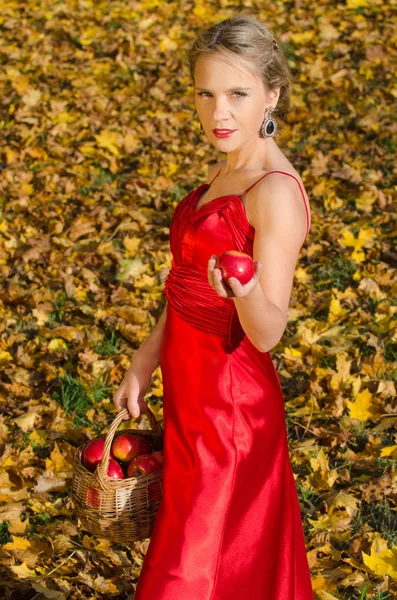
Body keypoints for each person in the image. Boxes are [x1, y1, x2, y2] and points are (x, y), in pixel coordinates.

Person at [113, 12, 314, 600]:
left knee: (188, 572)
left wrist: (247, 292)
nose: (218, 113)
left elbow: (271, 330)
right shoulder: (229, 165)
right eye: (205, 93)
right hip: (188, 392)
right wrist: (147, 357)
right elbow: (185, 282)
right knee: (221, 565)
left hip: (231, 411)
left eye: (237, 94)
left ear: (271, 94)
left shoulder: (273, 191)